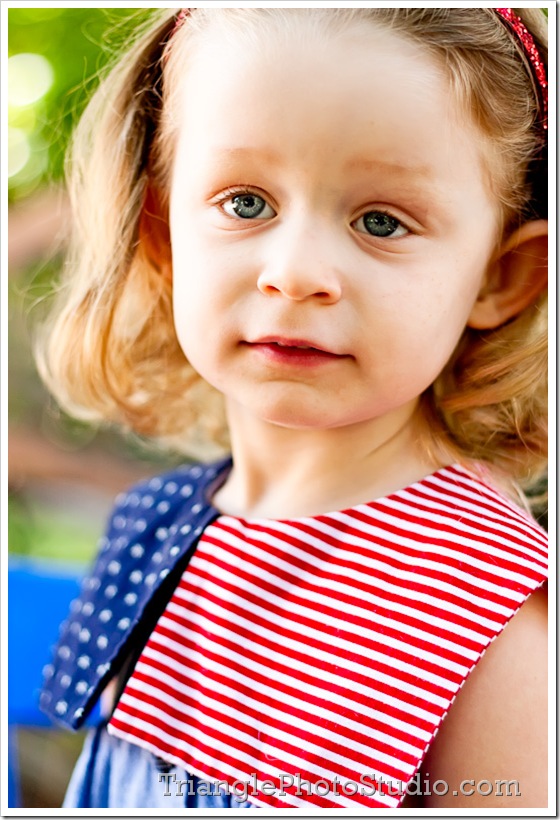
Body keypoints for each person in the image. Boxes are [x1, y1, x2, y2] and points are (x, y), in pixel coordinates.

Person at [37, 7, 548, 810]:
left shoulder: (483, 601)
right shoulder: (157, 526)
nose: (297, 271)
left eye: (381, 221)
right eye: (245, 204)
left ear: (497, 278)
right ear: (163, 234)